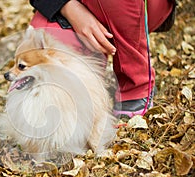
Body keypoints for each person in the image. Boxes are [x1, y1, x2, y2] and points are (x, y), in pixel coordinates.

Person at [29, 0, 175, 118]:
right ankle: (89, 96)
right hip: (72, 6)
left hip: (137, 6)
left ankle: (136, 85)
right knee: (44, 51)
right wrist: (70, 8)